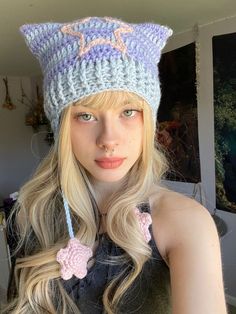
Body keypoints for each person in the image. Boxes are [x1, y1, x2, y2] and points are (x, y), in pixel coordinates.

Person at [3, 16, 227, 314]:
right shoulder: (31, 214)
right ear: (61, 127)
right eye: (86, 115)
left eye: (129, 111)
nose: (109, 139)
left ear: (149, 121)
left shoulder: (184, 222)